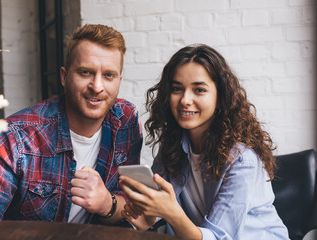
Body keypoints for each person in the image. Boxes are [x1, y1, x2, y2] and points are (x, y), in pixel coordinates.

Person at [0, 24, 143, 225]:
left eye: (109, 75)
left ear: (119, 80)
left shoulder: (126, 120)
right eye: (85, 72)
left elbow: (129, 204)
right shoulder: (17, 136)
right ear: (64, 77)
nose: (97, 87)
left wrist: (108, 203)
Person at [119, 44, 289, 239]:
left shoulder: (243, 161)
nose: (185, 100)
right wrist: (148, 218)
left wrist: (172, 213)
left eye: (199, 90)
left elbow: (218, 237)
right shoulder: (174, 147)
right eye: (177, 89)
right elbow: (158, 209)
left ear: (220, 96)